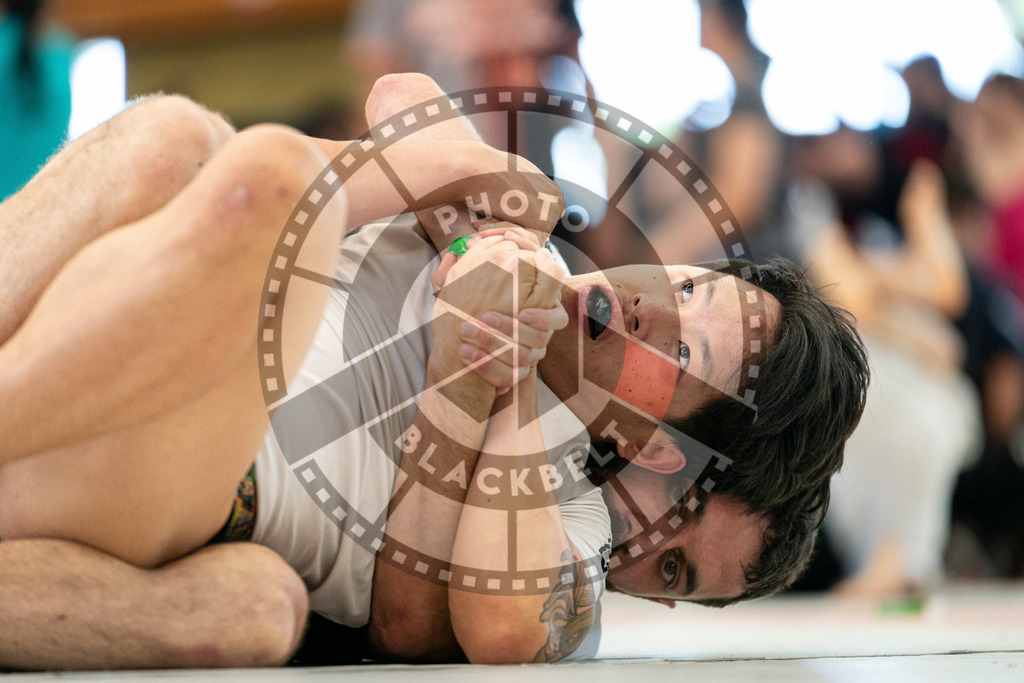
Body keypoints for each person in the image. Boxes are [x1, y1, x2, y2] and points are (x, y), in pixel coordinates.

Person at [0, 73, 868, 666]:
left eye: (681, 353)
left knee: (252, 177)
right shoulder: (526, 234)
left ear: (663, 446)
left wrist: (491, 361)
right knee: (173, 141)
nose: (655, 305)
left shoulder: (563, 501)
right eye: (687, 287)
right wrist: (489, 218)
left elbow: (457, 625)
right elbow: (402, 94)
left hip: (201, 458)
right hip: (112, 331)